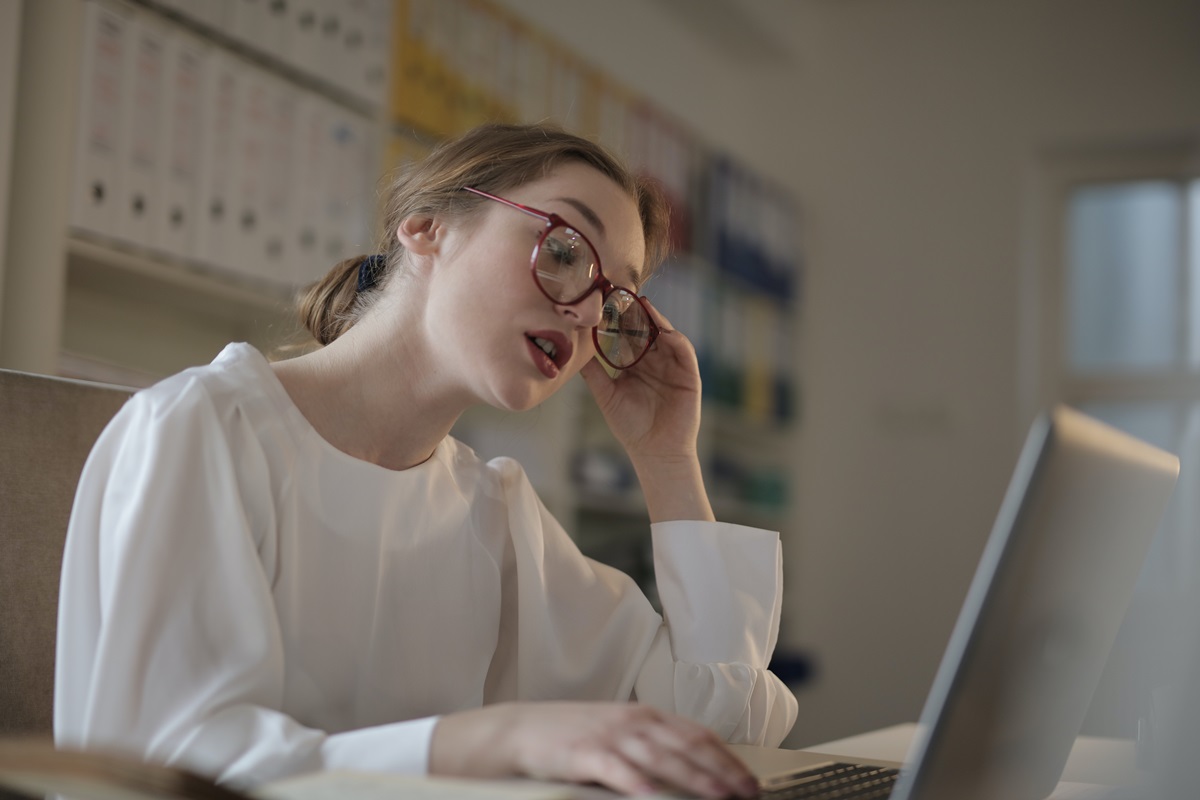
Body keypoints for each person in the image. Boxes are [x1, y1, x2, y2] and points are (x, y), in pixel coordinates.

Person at [54, 123, 798, 798]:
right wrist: (493, 738)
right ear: (426, 227)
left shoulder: (492, 510)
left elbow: (718, 725)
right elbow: (161, 769)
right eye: (566, 250)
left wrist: (667, 459)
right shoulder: (203, 430)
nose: (581, 311)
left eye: (612, 301)